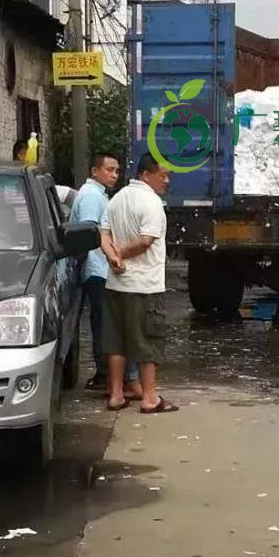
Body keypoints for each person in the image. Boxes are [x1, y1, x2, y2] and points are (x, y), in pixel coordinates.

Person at [100, 152, 177, 413]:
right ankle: (150, 398)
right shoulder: (151, 203)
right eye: (163, 175)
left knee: (116, 343)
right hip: (144, 287)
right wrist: (120, 254)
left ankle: (116, 395)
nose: (167, 181)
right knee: (147, 341)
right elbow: (146, 241)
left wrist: (112, 257)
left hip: (116, 284)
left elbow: (103, 233)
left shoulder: (116, 199)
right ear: (146, 174)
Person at [69, 152, 141, 398]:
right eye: (109, 170)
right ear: (94, 171)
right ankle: (107, 376)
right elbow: (89, 234)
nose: (114, 175)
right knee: (105, 327)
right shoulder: (90, 196)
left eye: (117, 171)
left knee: (105, 325)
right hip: (98, 269)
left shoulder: (98, 195)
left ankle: (107, 376)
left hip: (101, 267)